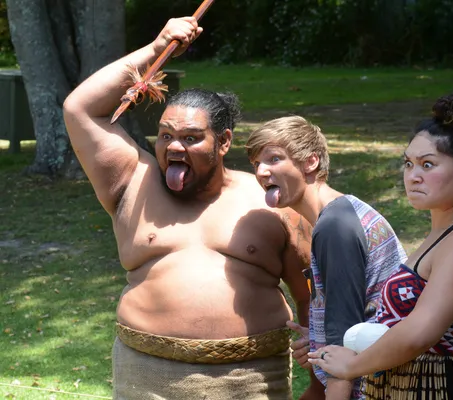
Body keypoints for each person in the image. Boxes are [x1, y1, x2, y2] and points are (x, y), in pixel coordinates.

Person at [63, 17, 314, 400]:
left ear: (224, 141)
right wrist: (156, 48)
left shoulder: (270, 202)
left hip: (249, 379)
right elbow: (79, 107)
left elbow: (312, 294)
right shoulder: (132, 182)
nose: (174, 147)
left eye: (191, 138)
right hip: (145, 376)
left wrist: (320, 384)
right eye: (166, 136)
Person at [307, 92, 453, 399]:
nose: (412, 176)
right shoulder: (444, 233)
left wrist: (353, 366)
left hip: (445, 388)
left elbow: (419, 333)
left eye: (428, 165)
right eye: (408, 163)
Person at [246, 116, 408, 399]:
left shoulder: (335, 225)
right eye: (256, 164)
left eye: (273, 159)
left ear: (310, 162)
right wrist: (317, 339)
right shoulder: (341, 213)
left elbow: (343, 334)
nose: (261, 171)